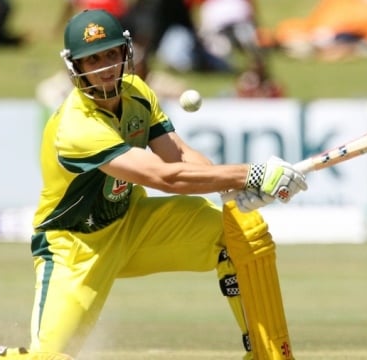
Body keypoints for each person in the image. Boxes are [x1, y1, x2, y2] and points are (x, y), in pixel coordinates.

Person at [29, 9, 308, 359]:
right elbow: (165, 176)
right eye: (92, 59)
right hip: (75, 248)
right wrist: (249, 174)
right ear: (75, 67)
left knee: (237, 232)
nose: (104, 67)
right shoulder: (76, 127)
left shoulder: (137, 92)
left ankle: (268, 355)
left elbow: (177, 155)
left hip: (132, 224)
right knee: (47, 358)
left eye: (111, 54)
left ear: (126, 53)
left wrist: (231, 190)